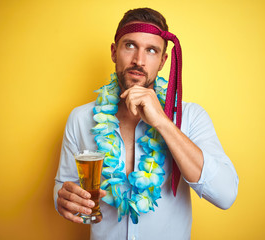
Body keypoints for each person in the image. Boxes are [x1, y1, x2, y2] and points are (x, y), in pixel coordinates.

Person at [54, 7, 239, 240]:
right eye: (129, 45)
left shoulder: (191, 116)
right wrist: (62, 199)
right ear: (114, 52)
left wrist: (162, 122)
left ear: (163, 61)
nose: (138, 61)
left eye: (151, 50)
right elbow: (63, 187)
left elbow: (225, 194)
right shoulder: (80, 118)